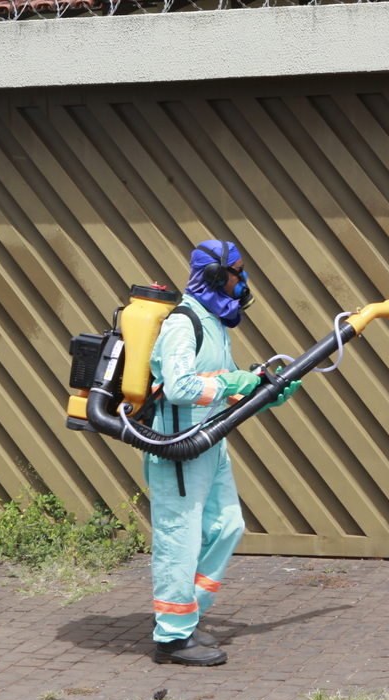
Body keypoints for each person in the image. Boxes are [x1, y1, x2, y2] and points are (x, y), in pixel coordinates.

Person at [144, 239, 299, 666]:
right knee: (180, 539)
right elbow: (178, 388)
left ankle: (187, 617)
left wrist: (264, 391)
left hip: (211, 444)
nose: (243, 281)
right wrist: (232, 385)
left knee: (228, 525)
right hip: (178, 449)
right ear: (216, 276)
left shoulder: (213, 322)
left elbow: (220, 386)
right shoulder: (183, 324)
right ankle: (171, 639)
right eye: (238, 272)